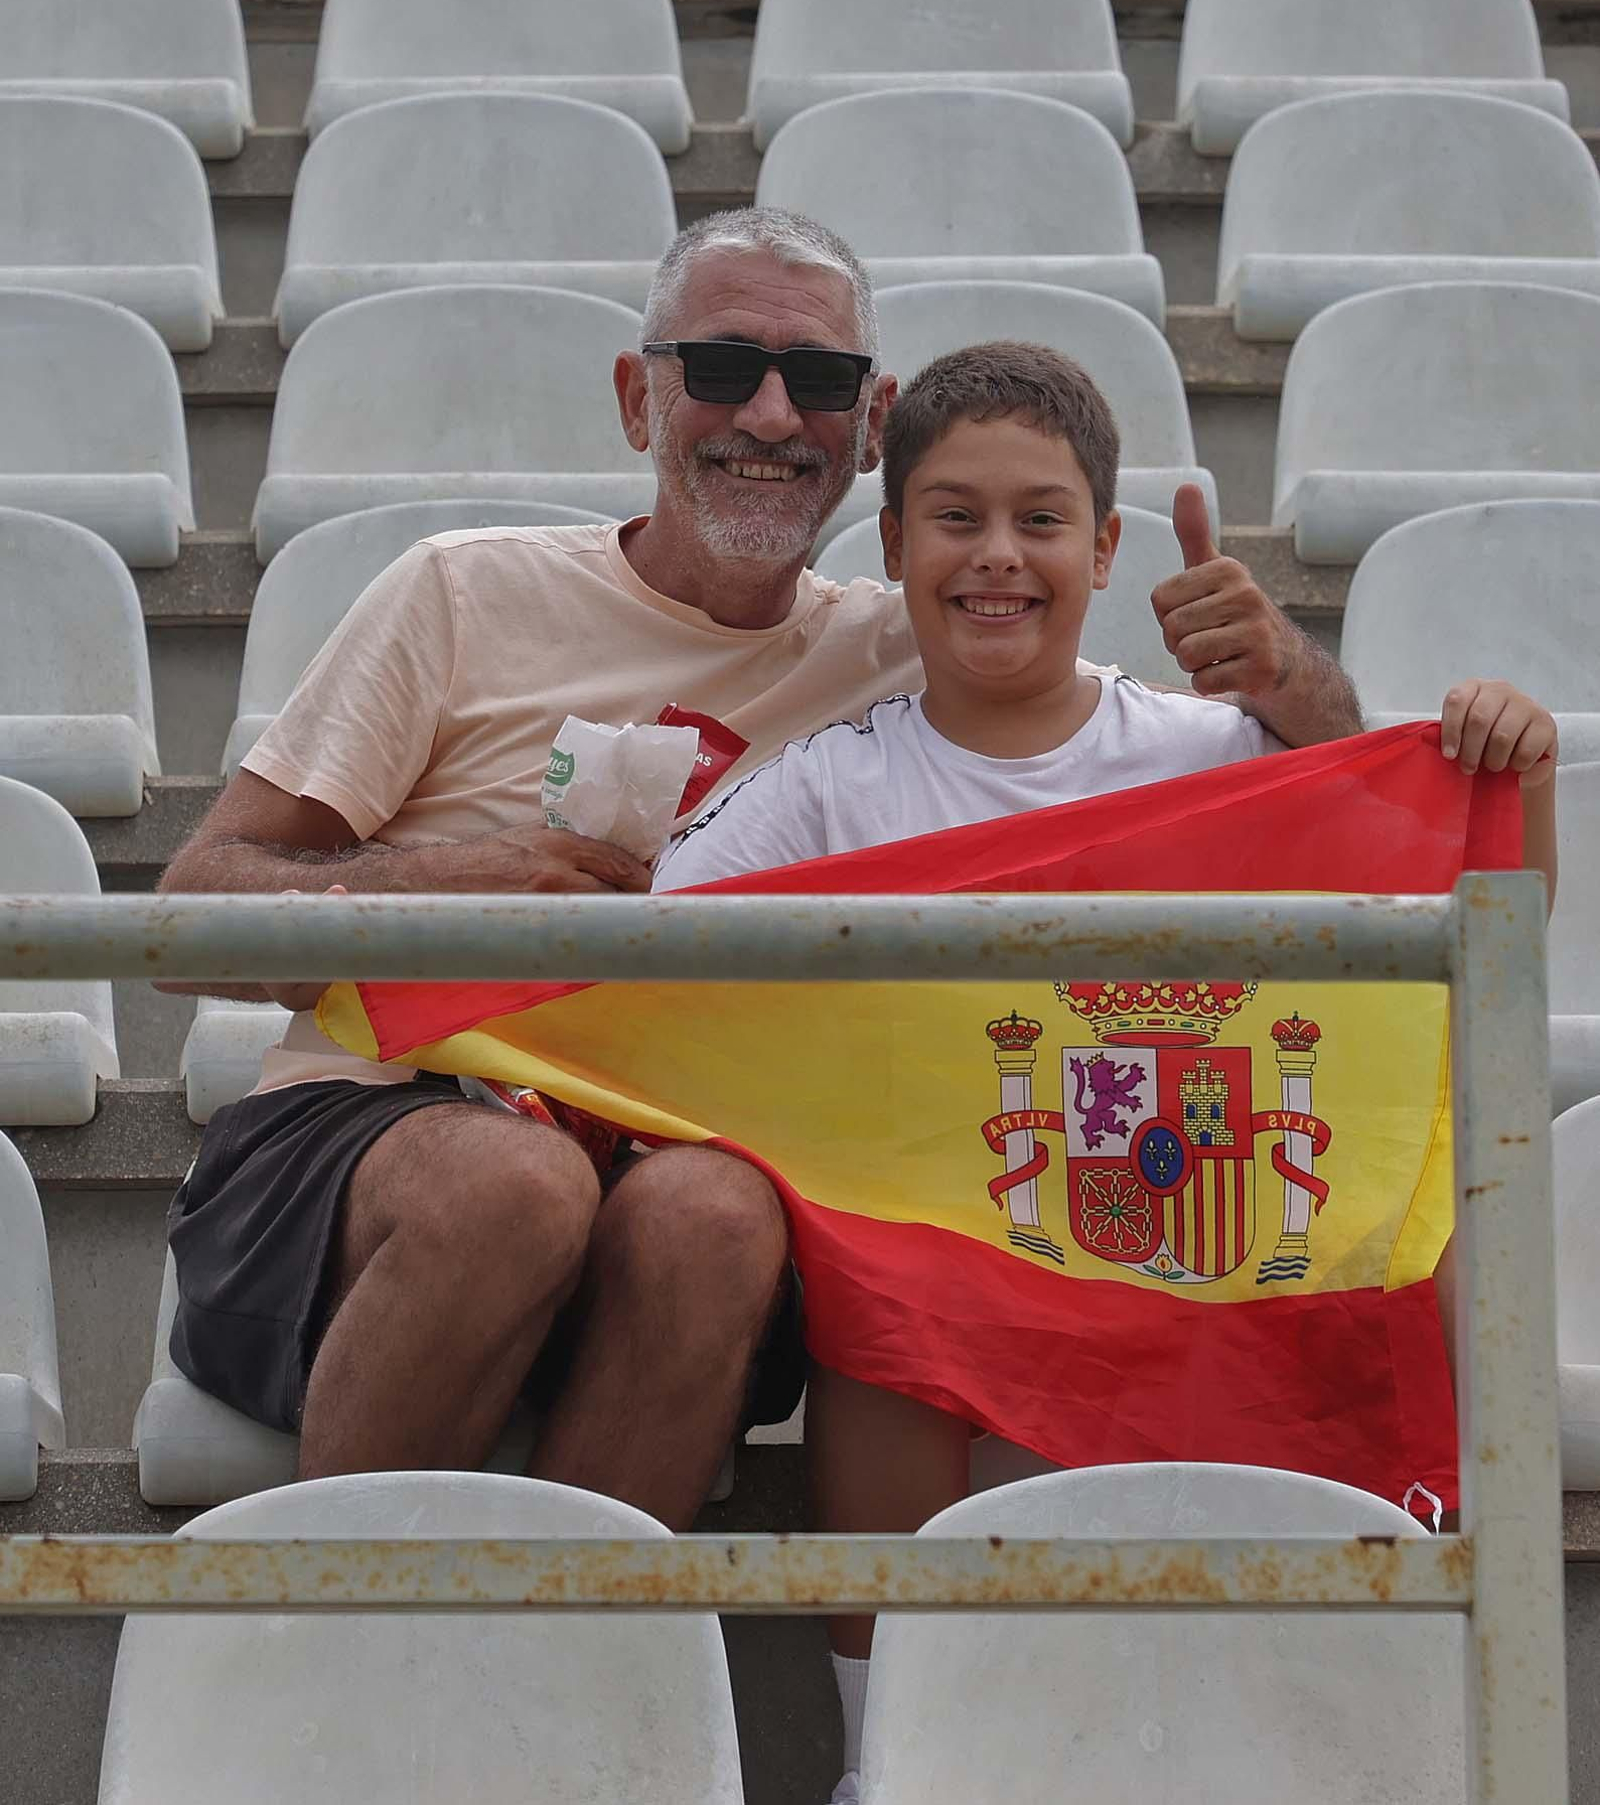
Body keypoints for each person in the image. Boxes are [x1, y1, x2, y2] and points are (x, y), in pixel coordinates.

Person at [157, 209, 1364, 1530]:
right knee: (516, 1187)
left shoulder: (936, 642)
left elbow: (1280, 787)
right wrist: (447, 888)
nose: (774, 416)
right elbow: (189, 914)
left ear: (872, 421)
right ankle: (348, 1640)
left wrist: (1289, 675)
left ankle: (585, 1648)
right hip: (374, 1140)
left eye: (821, 379)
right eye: (725, 367)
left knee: (719, 1212)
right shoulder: (459, 595)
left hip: (685, 1179)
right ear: (640, 398)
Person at [652, 339, 1558, 1805]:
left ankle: (1413, 1729)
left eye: (1041, 519)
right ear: (891, 548)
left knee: (1418, 1237)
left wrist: (1506, 765)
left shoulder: (1219, 748)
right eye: (955, 518)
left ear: (1108, 549)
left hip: (1199, 1225)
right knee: (880, 1299)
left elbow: (1480, 913)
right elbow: (639, 962)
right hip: (977, 1237)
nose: (997, 557)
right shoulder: (825, 786)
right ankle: (884, 1756)